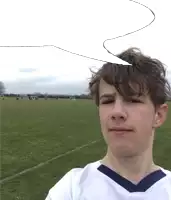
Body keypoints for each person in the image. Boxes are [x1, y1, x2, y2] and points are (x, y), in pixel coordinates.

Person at [45, 47, 171, 200]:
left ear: (158, 115)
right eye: (108, 101)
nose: (116, 112)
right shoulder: (71, 189)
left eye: (132, 100)